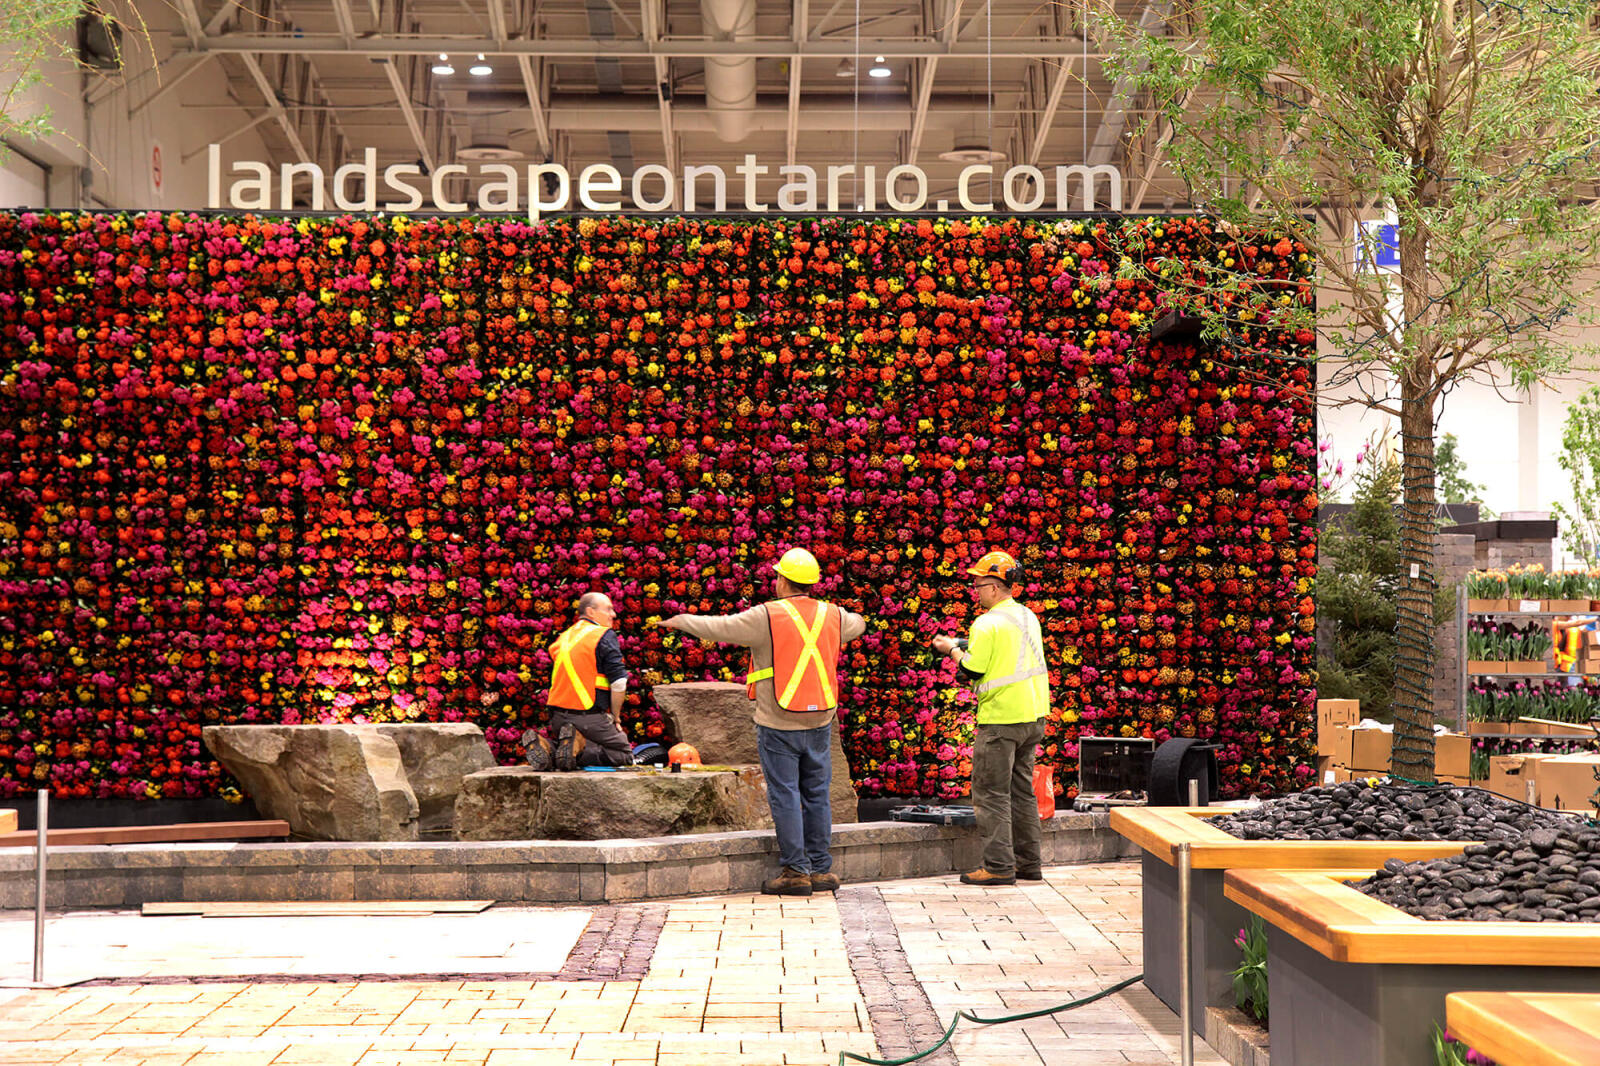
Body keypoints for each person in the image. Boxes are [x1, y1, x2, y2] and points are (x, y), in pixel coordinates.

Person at [659, 548, 865, 896]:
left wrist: (680, 620)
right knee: (817, 794)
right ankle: (820, 869)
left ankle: (796, 872)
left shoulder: (766, 616)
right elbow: (858, 623)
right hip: (820, 719)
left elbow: (719, 627)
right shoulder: (832, 614)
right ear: (812, 583)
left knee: (785, 794)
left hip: (778, 721)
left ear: (783, 580)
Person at [932, 550, 1050, 887]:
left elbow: (972, 668)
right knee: (1021, 791)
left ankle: (998, 866)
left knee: (990, 794)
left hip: (1001, 720)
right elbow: (1004, 645)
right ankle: (1029, 864)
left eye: (979, 585)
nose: (976, 591)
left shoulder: (986, 623)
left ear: (995, 587)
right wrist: (960, 641)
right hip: (1032, 716)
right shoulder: (1026, 615)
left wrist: (951, 649)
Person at [526, 591, 634, 770]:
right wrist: (616, 717)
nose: (613, 614)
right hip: (587, 716)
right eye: (608, 609)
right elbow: (619, 682)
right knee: (623, 755)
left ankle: (549, 748)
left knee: (577, 744)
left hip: (558, 718)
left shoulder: (564, 636)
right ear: (591, 612)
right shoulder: (602, 634)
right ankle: (576, 749)